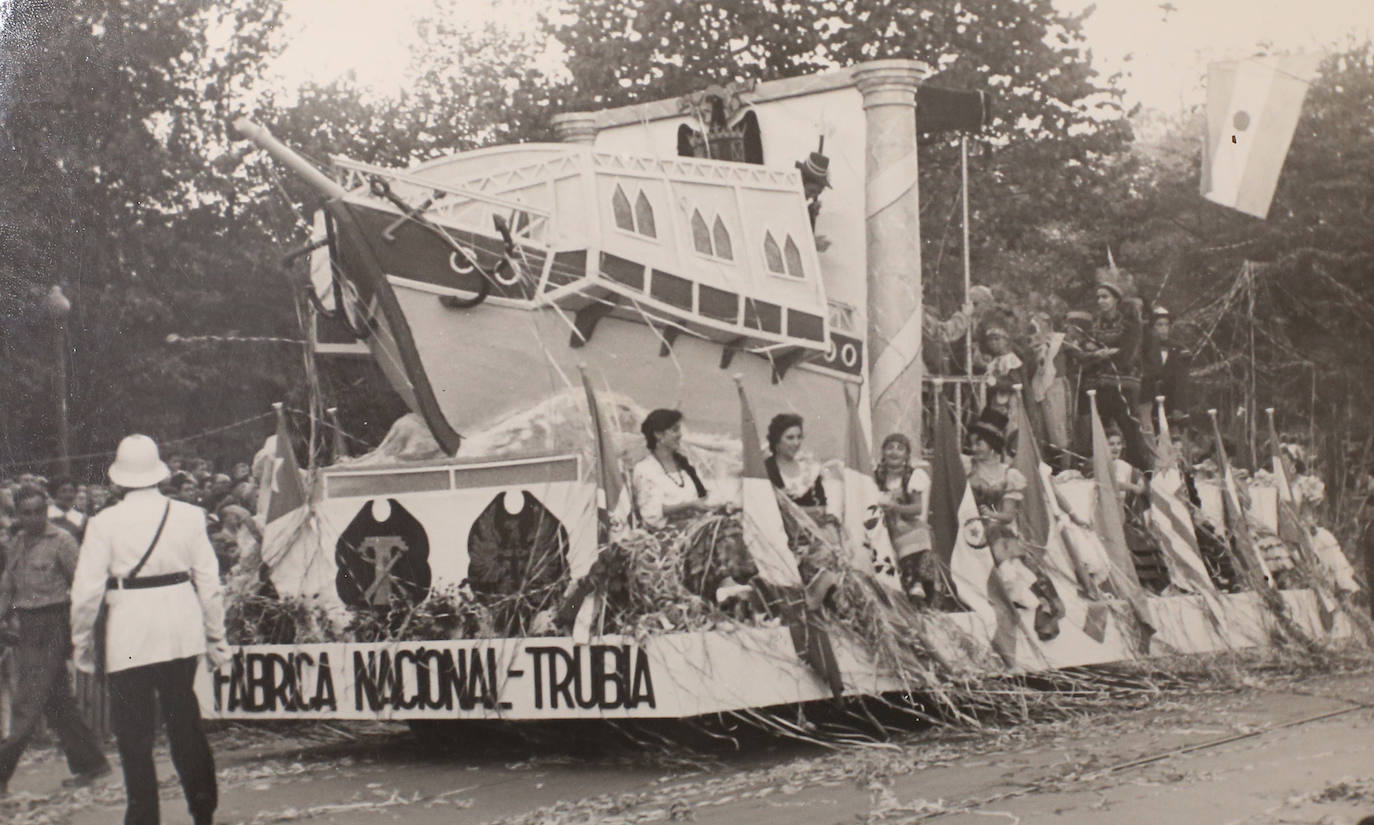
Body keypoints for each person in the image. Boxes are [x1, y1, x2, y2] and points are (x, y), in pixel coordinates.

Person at [71, 434, 229, 825]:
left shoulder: (104, 522)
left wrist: (82, 645)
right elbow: (210, 584)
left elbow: (87, 593)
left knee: (134, 736)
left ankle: (143, 817)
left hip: (129, 631)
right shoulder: (189, 515)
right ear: (159, 474)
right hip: (180, 627)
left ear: (120, 478)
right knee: (184, 721)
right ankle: (203, 808)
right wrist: (216, 637)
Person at [0, 485, 111, 798]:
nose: (34, 518)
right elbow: (8, 585)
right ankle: (91, 763)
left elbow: (83, 584)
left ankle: (1, 771)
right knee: (56, 700)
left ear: (47, 509)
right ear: (18, 514)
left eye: (39, 511)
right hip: (28, 624)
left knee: (27, 701)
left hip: (54, 621)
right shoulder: (17, 543)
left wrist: (80, 629)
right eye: (27, 512)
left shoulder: (62, 541)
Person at [1078, 277, 1148, 469]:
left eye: (1105, 297)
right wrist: (1099, 353)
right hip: (1099, 386)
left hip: (1123, 386)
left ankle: (1140, 472)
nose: (1101, 301)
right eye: (1099, 297)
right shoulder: (1095, 324)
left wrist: (1100, 352)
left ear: (1116, 299)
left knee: (1129, 429)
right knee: (1099, 430)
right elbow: (1084, 350)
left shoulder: (1130, 324)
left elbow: (1127, 355)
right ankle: (1100, 471)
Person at [873, 433, 935, 600]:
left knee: (919, 534)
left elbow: (917, 508)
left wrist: (896, 507)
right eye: (890, 447)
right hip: (879, 524)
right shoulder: (875, 476)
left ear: (907, 455)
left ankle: (915, 583)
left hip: (903, 521)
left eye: (900, 448)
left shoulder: (912, 477)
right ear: (883, 452)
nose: (894, 452)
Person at [631, 409, 709, 530]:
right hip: (667, 538)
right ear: (658, 434)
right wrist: (689, 505)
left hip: (696, 531)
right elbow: (651, 513)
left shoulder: (686, 465)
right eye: (674, 430)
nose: (680, 435)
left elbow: (703, 499)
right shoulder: (645, 469)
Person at [764, 413, 829, 522]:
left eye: (799, 437)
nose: (796, 443)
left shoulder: (810, 470)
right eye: (790, 438)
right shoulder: (765, 470)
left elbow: (822, 507)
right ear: (776, 440)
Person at [1142, 305, 1191, 425]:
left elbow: (1181, 381)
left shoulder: (1179, 349)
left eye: (1166, 325)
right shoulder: (1143, 349)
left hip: (1171, 403)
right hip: (1148, 403)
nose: (1164, 329)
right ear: (1151, 328)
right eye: (1159, 325)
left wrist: (1179, 407)